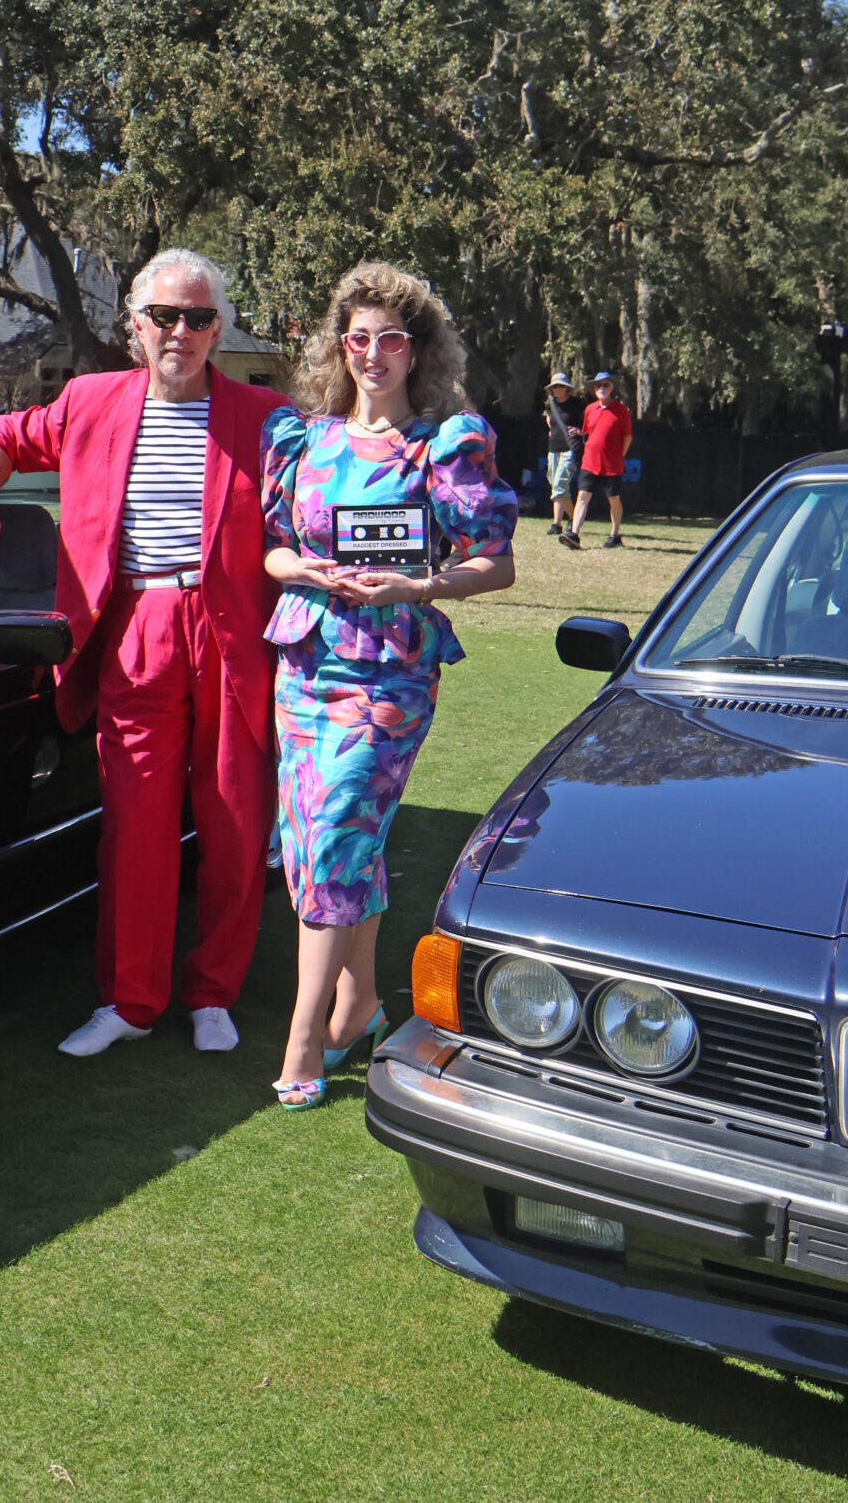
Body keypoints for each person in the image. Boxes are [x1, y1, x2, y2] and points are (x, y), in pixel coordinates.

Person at [0, 249, 290, 1057]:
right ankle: (131, 1001)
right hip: (135, 627)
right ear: (136, 324)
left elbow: (337, 481)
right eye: (164, 316)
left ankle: (214, 992)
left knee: (235, 823)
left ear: (218, 329)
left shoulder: (266, 416)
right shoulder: (89, 400)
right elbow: (0, 436)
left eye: (198, 317)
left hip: (231, 632)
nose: (180, 331)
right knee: (135, 825)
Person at [260, 263, 518, 1108]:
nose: (373, 354)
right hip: (307, 664)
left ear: (419, 350)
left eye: (392, 339)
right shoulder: (302, 440)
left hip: (392, 672)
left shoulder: (444, 445)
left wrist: (420, 585)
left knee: (338, 830)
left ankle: (304, 1037)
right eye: (359, 338)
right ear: (342, 346)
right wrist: (302, 567)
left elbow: (497, 563)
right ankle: (361, 1003)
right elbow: (273, 550)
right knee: (321, 844)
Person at [563, 371, 633, 550]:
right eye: (598, 385)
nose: (602, 388)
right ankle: (574, 534)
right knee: (583, 496)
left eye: (605, 385)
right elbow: (589, 432)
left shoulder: (621, 411)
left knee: (613, 498)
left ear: (612, 388)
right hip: (590, 462)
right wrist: (580, 433)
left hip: (612, 465)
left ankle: (614, 535)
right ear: (594, 389)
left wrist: (619, 456)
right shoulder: (590, 409)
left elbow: (627, 437)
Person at [542, 373, 580, 535]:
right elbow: (549, 421)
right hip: (553, 449)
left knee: (559, 486)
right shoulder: (550, 404)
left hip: (569, 449)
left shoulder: (577, 404)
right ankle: (560, 522)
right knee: (556, 487)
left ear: (567, 388)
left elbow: (588, 423)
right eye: (555, 386)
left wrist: (580, 431)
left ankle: (571, 520)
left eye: (561, 386)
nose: (558, 389)